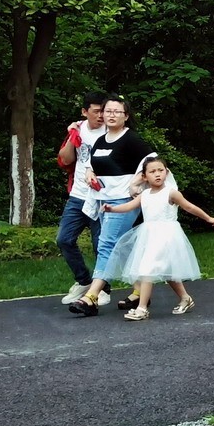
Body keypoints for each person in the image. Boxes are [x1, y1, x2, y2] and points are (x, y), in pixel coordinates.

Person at [68, 95, 156, 317]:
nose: (111, 115)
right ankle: (138, 291)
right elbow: (90, 163)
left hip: (124, 201)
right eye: (108, 111)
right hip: (103, 201)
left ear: (126, 116)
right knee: (121, 246)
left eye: (117, 111)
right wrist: (89, 173)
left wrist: (137, 180)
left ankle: (91, 297)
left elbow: (155, 163)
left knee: (106, 245)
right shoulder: (100, 140)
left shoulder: (131, 140)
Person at [101, 157, 214, 321]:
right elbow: (129, 206)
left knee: (147, 269)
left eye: (161, 170)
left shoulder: (171, 193)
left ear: (166, 172)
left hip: (167, 235)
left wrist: (208, 218)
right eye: (152, 171)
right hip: (149, 236)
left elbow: (189, 206)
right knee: (166, 271)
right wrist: (112, 208)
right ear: (144, 177)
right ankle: (185, 298)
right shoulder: (145, 195)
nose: (157, 174)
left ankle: (142, 308)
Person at [56, 92, 109, 305]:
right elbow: (66, 159)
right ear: (84, 112)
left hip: (101, 195)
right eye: (96, 111)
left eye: (103, 111)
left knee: (100, 244)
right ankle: (84, 281)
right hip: (78, 195)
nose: (101, 115)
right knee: (64, 239)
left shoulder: (111, 132)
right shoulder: (79, 129)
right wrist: (72, 136)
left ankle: (103, 289)